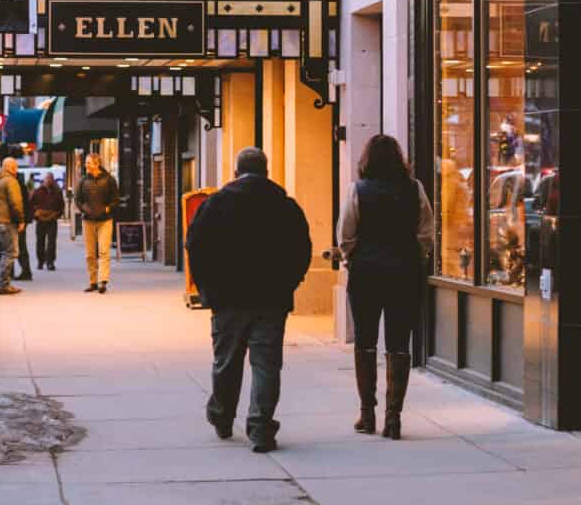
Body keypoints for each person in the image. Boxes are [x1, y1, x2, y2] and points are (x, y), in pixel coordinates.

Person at [185, 147, 312, 453]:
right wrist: (288, 285)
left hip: (227, 299)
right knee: (266, 365)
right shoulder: (284, 205)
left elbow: (195, 247)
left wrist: (207, 290)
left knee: (226, 362)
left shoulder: (216, 204)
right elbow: (301, 250)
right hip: (271, 299)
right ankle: (261, 427)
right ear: (266, 171)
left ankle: (222, 416)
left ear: (236, 172)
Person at [336, 135, 433, 439]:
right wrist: (413, 256)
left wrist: (353, 257)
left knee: (365, 341)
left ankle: (367, 414)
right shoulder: (414, 189)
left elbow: (346, 235)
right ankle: (393, 418)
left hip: (366, 273)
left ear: (366, 160)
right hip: (404, 272)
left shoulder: (357, 190)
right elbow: (426, 233)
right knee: (399, 343)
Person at [75, 153, 119, 293]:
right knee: (90, 254)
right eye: (86, 163)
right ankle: (93, 281)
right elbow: (77, 199)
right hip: (88, 220)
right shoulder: (83, 181)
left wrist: (107, 208)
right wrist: (84, 209)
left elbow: (115, 200)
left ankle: (102, 282)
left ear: (97, 163)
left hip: (105, 220)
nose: (86, 165)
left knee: (104, 251)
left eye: (88, 163)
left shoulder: (109, 180)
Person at [0, 158, 24, 296]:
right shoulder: (11, 181)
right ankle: (3, 284)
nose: (17, 170)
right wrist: (20, 220)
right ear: (10, 167)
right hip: (6, 221)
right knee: (10, 252)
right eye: (15, 167)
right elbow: (16, 203)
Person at [30, 172, 63, 271]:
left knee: (51, 242)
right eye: (47, 179)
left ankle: (50, 262)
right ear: (43, 180)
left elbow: (61, 206)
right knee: (40, 241)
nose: (49, 180)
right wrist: (35, 214)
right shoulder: (37, 191)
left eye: (50, 179)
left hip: (52, 220)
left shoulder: (57, 191)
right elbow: (31, 204)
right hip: (40, 220)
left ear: (53, 180)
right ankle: (40, 261)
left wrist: (56, 215)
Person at [15, 169, 34, 281]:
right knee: (20, 246)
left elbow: (18, 203)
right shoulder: (19, 184)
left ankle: (26, 271)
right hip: (21, 219)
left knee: (19, 246)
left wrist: (21, 220)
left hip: (18, 220)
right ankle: (25, 270)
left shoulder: (16, 185)